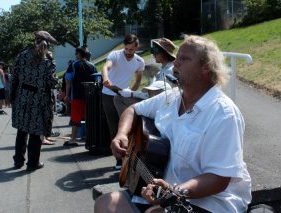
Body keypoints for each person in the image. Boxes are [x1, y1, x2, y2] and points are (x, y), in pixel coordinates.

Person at [94, 35, 251, 213]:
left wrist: (175, 191)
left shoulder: (223, 114)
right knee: (105, 204)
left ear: (205, 67)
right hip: (160, 192)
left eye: (185, 59)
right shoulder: (171, 97)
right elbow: (132, 110)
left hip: (208, 202)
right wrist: (121, 134)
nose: (176, 62)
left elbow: (219, 178)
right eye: (177, 57)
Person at [11, 31, 58, 171]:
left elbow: (14, 76)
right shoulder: (48, 61)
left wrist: (13, 96)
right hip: (39, 99)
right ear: (48, 44)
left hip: (22, 97)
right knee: (36, 131)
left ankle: (18, 161)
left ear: (35, 41)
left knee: (22, 129)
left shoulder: (22, 55)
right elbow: (52, 82)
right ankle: (32, 163)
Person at [102, 34, 145, 169]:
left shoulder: (139, 61)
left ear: (137, 47)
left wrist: (131, 93)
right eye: (126, 49)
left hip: (123, 97)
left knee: (127, 127)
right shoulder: (115, 54)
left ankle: (130, 156)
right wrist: (105, 79)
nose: (128, 52)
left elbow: (138, 81)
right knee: (114, 127)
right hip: (108, 94)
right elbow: (106, 67)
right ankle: (119, 160)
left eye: (131, 50)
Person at [113, 37, 176, 117]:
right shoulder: (163, 70)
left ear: (164, 53)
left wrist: (132, 94)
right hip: (155, 103)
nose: (153, 54)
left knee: (118, 98)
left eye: (155, 51)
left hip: (159, 107)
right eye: (152, 50)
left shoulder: (169, 71)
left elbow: (156, 96)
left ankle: (129, 127)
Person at [63, 47, 96, 146]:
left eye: (76, 54)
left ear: (78, 54)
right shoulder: (92, 66)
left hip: (76, 95)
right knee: (89, 118)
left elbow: (68, 81)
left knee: (75, 118)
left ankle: (73, 139)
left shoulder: (73, 65)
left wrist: (67, 95)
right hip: (90, 96)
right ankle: (91, 139)